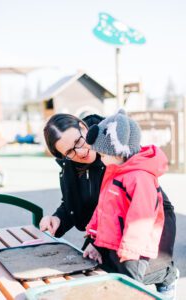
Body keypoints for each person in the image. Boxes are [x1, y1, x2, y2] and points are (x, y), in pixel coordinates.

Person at [39, 113, 176, 293]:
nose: (80, 152)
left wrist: (106, 244)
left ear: (83, 127)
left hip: (146, 227)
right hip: (109, 228)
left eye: (79, 142)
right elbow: (78, 205)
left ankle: (166, 274)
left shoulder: (116, 148)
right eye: (70, 152)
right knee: (85, 267)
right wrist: (58, 219)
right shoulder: (71, 165)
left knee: (124, 274)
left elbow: (140, 210)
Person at [83, 109, 178, 299]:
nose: (100, 159)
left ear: (118, 152)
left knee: (129, 290)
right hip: (114, 243)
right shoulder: (114, 170)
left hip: (134, 250)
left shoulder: (139, 177)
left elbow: (141, 218)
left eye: (102, 154)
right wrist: (94, 240)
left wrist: (131, 251)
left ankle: (166, 276)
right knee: (109, 283)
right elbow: (102, 209)